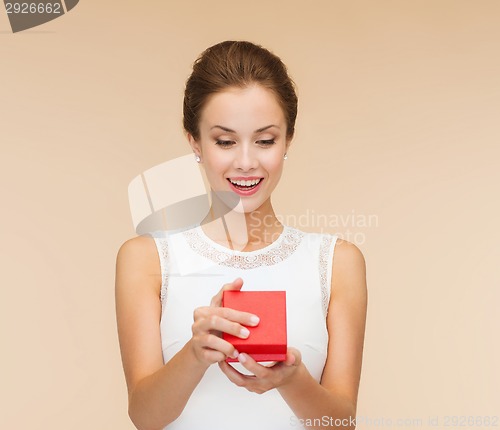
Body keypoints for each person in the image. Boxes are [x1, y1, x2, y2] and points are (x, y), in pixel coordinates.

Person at [115, 40, 367, 430]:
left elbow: (341, 424)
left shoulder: (337, 262)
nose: (247, 162)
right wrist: (195, 353)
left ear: (288, 141)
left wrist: (292, 379)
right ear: (194, 143)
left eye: (265, 140)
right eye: (225, 141)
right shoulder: (147, 258)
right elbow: (145, 417)